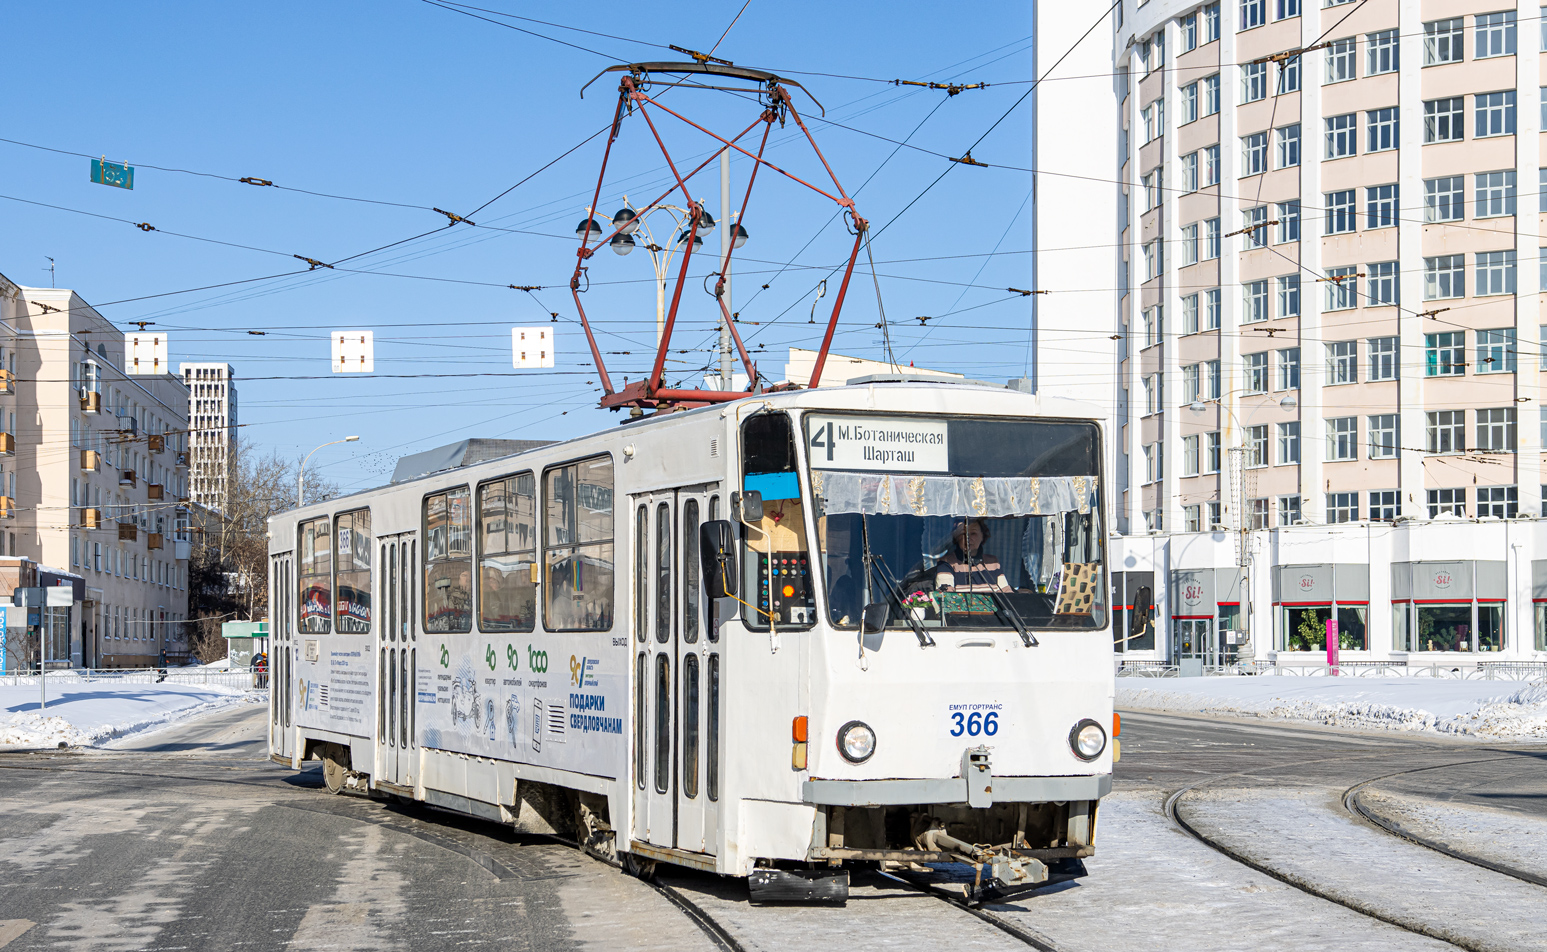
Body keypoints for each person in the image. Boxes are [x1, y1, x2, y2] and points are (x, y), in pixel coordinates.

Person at [933, 519, 1011, 593]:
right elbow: (946, 595)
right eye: (963, 533)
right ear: (956, 538)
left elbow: (1006, 594)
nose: (968, 538)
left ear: (982, 536)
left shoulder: (993, 562)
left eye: (973, 533)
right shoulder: (946, 563)